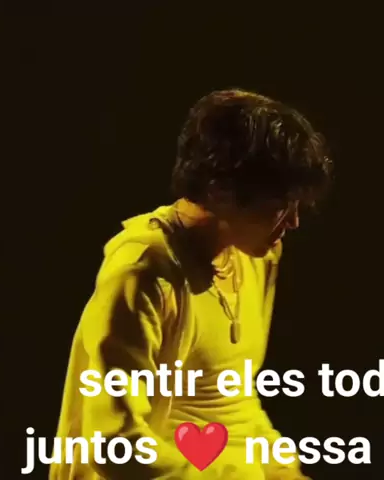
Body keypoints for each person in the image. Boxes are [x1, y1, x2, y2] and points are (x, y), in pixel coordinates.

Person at [49, 89, 333, 480]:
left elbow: (234, 403)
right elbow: (115, 444)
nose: (294, 222)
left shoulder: (254, 256)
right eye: (279, 205)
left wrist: (284, 472)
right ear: (219, 190)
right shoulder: (143, 271)